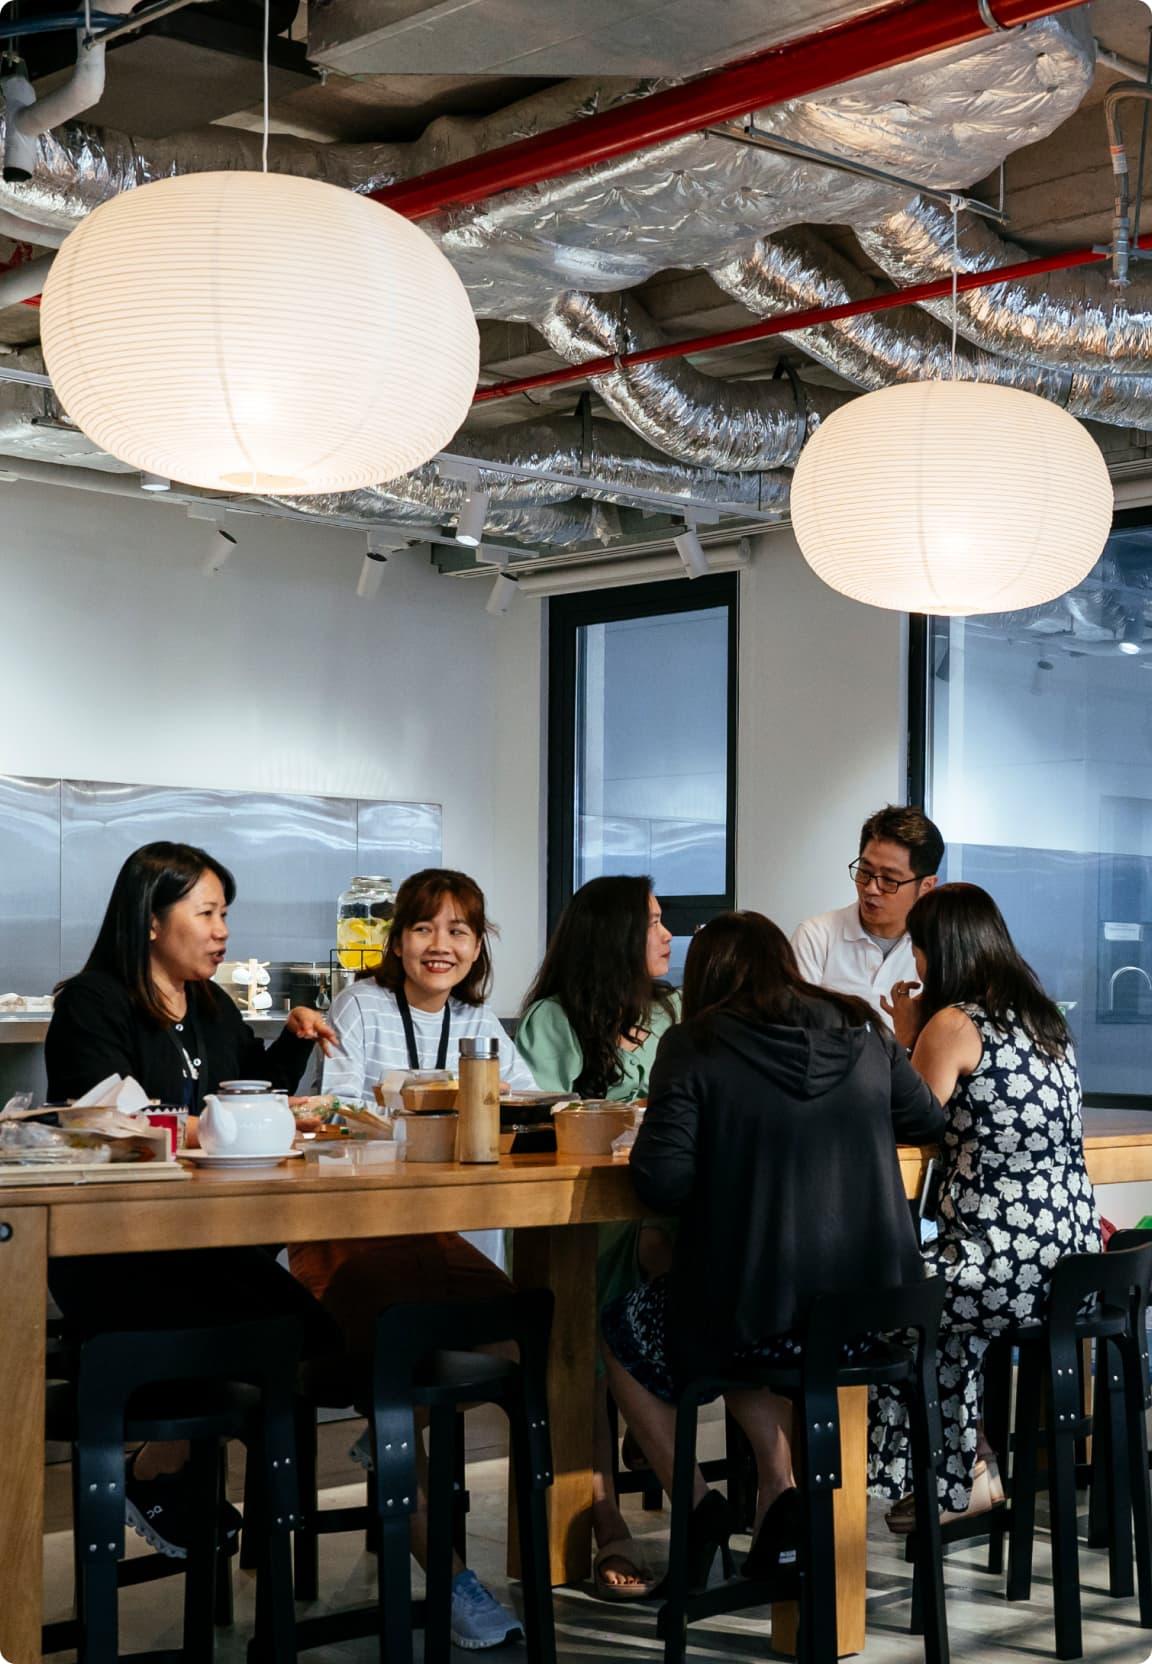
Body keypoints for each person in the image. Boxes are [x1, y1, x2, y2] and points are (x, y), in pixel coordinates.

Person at [600, 911, 944, 1590]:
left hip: (755, 1317)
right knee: (738, 1313)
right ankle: (779, 1495)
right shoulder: (860, 1025)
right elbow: (926, 1118)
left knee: (623, 1327)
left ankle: (699, 1508)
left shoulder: (695, 1043)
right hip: (874, 1321)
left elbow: (661, 1178)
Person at [45, 840, 341, 1558]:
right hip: (119, 1252)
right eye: (206, 912)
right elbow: (103, 1119)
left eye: (225, 914)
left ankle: (263, 1537)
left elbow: (247, 1089)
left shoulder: (209, 1003)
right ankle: (159, 1466)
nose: (222, 931)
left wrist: (294, 1039)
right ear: (151, 919)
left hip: (207, 1244)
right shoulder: (92, 1002)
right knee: (267, 1330)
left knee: (313, 1335)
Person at [291, 866, 534, 1651]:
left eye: (459, 930)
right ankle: (454, 1575)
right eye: (425, 928)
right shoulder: (359, 1007)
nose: (441, 944)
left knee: (517, 1329)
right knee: (401, 1358)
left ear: (477, 944)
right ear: (396, 942)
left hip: (435, 1236)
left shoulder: (479, 1021)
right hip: (346, 1232)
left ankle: (397, 1434)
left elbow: (525, 1107)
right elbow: (327, 1115)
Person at [873, 883, 1100, 1528]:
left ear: (939, 951)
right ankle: (961, 1463)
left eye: (916, 949)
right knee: (938, 1297)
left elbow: (910, 1120)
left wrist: (906, 1037)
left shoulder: (954, 1023)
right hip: (1071, 1262)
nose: (913, 964)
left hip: (1000, 1262)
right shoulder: (1047, 1019)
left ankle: (960, 1469)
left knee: (889, 1298)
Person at [516, 875, 677, 1599]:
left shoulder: (670, 1014)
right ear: (616, 935)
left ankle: (744, 1499)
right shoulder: (554, 1019)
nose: (667, 935)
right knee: (579, 1331)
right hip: (580, 1219)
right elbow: (543, 1124)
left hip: (657, 1214)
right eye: (652, 921)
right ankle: (607, 1520)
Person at [790, 805, 944, 1023]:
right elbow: (796, 1031)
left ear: (926, 886)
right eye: (865, 871)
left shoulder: (938, 948)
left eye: (889, 880)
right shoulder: (816, 937)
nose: (871, 888)